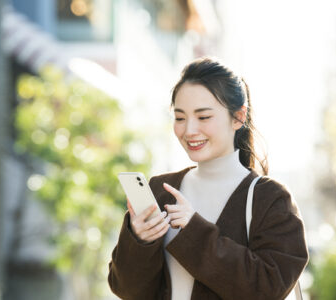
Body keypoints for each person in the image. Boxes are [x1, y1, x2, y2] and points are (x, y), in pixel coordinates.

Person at [108, 57, 309, 300]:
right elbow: (125, 290)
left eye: (203, 117)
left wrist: (194, 230)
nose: (189, 130)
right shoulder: (161, 190)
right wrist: (139, 240)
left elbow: (268, 287)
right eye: (180, 118)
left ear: (238, 117)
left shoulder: (270, 198)